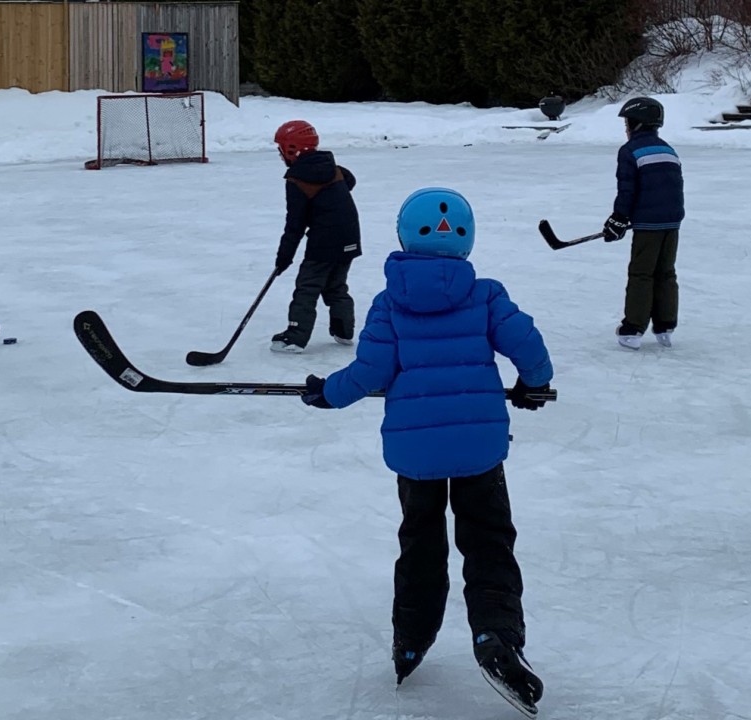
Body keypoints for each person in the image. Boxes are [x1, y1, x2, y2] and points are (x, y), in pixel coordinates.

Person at [299, 187, 552, 715]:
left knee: (420, 542)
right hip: (479, 448)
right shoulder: (485, 295)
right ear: (466, 240)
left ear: (403, 237)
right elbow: (528, 345)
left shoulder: (390, 303)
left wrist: (327, 393)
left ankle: (411, 639)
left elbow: (370, 372)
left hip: (416, 454)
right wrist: (533, 384)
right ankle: (497, 636)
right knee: (489, 543)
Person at [269, 120, 362, 353]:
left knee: (307, 287)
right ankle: (344, 330)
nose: (280, 154)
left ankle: (295, 337)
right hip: (350, 236)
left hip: (325, 241)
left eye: (281, 149)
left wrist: (284, 257)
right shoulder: (333, 167)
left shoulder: (297, 179)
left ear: (291, 149)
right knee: (336, 285)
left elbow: (295, 224)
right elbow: (350, 180)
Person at [603, 96, 685, 350]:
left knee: (641, 273)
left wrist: (618, 218)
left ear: (637, 123)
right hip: (672, 222)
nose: (626, 128)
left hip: (649, 226)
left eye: (627, 123)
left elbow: (627, 189)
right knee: (665, 272)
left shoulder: (630, 151)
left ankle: (633, 329)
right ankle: (665, 326)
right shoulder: (668, 149)